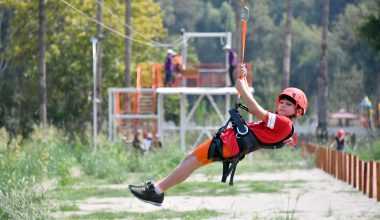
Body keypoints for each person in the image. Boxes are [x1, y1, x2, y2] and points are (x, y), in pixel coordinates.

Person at [129, 64, 308, 206]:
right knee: (190, 160)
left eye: (289, 105)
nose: (283, 106)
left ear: (297, 111)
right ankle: (157, 188)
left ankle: (157, 191)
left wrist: (241, 85)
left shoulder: (284, 124)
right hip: (231, 144)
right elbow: (254, 106)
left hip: (230, 144)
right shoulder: (280, 122)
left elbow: (254, 108)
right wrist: (243, 80)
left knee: (191, 160)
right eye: (282, 102)